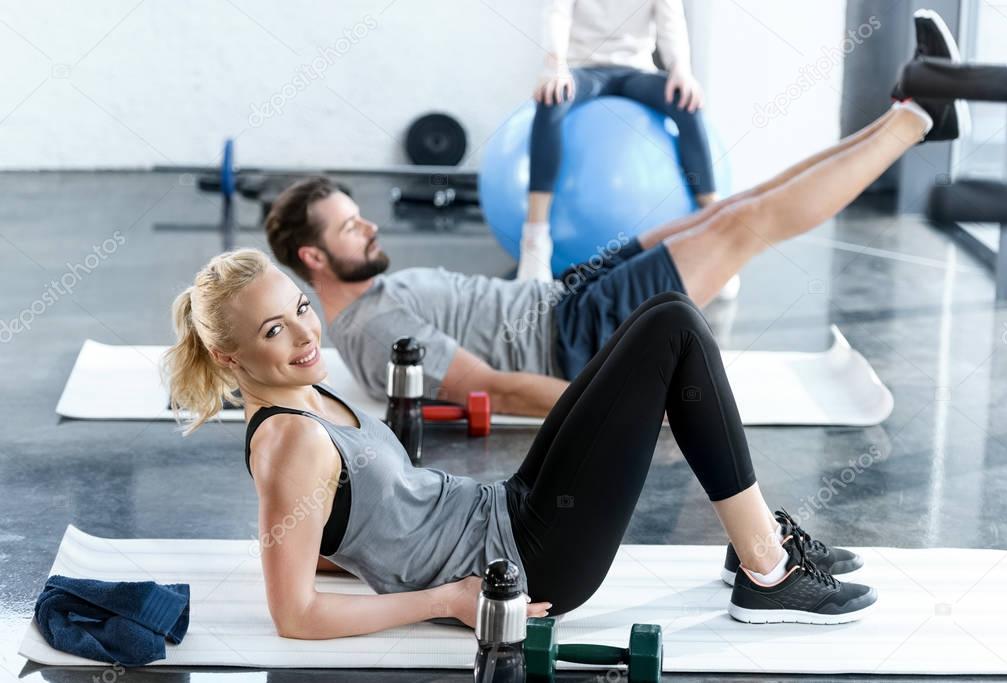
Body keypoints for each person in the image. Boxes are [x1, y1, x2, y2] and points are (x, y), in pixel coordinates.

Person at [263, 10, 964, 422]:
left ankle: (905, 104)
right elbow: (497, 388)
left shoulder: (377, 299)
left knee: (734, 206)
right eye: (349, 226)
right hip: (578, 334)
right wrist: (611, 408)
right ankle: (913, 119)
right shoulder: (376, 329)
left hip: (571, 293)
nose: (370, 226)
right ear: (314, 258)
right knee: (742, 229)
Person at [165, 247, 874, 635]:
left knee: (664, 310)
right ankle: (764, 571)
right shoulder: (289, 443)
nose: (304, 332)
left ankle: (753, 545)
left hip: (505, 508)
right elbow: (294, 614)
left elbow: (335, 530)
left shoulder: (305, 394)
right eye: (273, 331)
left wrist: (378, 561)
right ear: (230, 359)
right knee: (675, 332)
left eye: (297, 307)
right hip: (526, 560)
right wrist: (446, 598)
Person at [520, 0, 717, 281]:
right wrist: (555, 64)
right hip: (582, 71)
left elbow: (671, 24)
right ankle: (535, 238)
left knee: (687, 102)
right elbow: (556, 14)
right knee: (551, 100)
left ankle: (714, 223)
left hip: (635, 71)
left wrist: (681, 69)